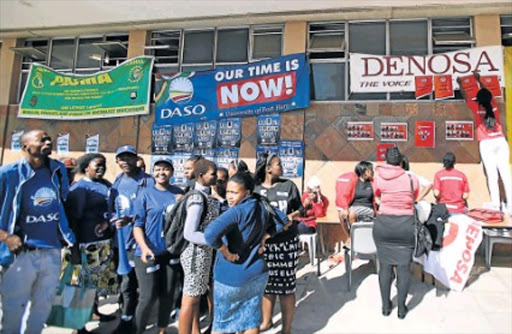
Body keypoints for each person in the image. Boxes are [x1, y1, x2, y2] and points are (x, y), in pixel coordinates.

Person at [0, 130, 76, 333]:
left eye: (49, 138)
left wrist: (69, 239)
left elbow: (63, 204)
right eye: (42, 139)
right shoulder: (8, 174)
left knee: (42, 307)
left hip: (52, 251)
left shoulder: (57, 170)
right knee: (14, 308)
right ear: (26, 147)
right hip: (21, 254)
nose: (48, 141)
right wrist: (6, 237)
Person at [204, 172, 287, 334]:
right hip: (257, 274)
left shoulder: (236, 211)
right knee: (250, 321)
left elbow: (210, 234)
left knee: (221, 324)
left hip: (230, 276)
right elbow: (283, 220)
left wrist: (225, 252)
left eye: (234, 192)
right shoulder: (262, 204)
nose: (229, 196)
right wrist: (265, 236)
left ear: (247, 192)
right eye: (228, 191)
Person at [65, 153, 118, 334]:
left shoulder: (106, 185)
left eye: (104, 164)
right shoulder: (80, 188)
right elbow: (73, 220)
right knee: (82, 288)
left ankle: (94, 312)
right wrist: (74, 250)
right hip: (85, 245)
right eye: (97, 164)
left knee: (95, 286)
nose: (101, 167)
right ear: (86, 167)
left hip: (102, 244)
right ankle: (77, 327)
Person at [132, 157, 183, 334]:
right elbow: (137, 226)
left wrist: (182, 202)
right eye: (158, 169)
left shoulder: (178, 193)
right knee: (147, 297)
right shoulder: (144, 194)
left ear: (172, 172)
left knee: (169, 293)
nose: (161, 173)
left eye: (166, 169)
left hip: (170, 252)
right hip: (147, 253)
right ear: (153, 172)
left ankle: (162, 329)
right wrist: (145, 248)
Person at [253, 153, 303, 334]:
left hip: (286, 244)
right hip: (265, 244)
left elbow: (301, 208)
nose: (281, 166)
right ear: (267, 169)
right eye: (278, 164)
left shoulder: (288, 185)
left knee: (286, 287)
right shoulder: (256, 190)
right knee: (267, 285)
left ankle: (286, 328)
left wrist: (291, 217)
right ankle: (266, 322)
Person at [109, 144, 155, 333]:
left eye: (129, 157)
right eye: (121, 158)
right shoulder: (118, 181)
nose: (125, 161)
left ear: (136, 159)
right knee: (124, 283)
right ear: (117, 161)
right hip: (120, 241)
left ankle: (131, 322)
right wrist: (112, 220)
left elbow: (153, 210)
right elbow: (113, 207)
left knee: (134, 285)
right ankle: (127, 315)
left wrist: (132, 219)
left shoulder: (148, 181)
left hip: (139, 243)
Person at [372, 147, 419, 319]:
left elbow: (376, 195)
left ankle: (385, 307)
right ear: (400, 161)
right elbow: (415, 196)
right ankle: (401, 308)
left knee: (384, 266)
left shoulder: (379, 177)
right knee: (403, 267)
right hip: (404, 226)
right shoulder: (410, 177)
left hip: (383, 225)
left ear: (386, 161)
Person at [458, 73, 512, 214]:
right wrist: (479, 80)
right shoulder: (494, 104)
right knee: (506, 174)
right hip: (500, 141)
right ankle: (510, 205)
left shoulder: (476, 108)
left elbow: (465, 96)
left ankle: (496, 204)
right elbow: (488, 93)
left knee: (492, 175)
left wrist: (460, 83)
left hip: (486, 144)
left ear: (479, 99)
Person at [179, 159, 220, 334]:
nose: (216, 177)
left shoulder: (206, 195)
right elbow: (189, 233)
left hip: (204, 254)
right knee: (190, 299)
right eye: (213, 174)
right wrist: (213, 240)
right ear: (201, 175)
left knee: (195, 298)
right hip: (195, 254)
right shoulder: (197, 198)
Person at [334, 161, 376, 262]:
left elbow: (377, 195)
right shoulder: (353, 181)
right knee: (343, 215)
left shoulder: (373, 182)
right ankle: (350, 237)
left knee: (352, 214)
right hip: (354, 206)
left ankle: (353, 239)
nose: (373, 172)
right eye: (371, 170)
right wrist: (344, 208)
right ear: (365, 171)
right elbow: (344, 195)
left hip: (368, 208)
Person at [401, 155, 433, 222]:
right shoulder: (411, 174)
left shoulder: (408, 174)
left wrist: (417, 200)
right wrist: (417, 200)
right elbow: (428, 184)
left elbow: (429, 185)